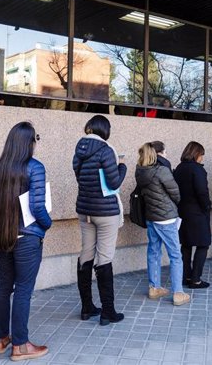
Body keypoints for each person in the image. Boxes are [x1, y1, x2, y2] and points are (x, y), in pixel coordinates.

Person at [0, 122, 51, 360]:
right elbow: (38, 206)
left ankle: (2, 339)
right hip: (27, 237)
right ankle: (21, 346)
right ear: (29, 143)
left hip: (3, 235)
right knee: (23, 290)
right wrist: (47, 223)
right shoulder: (35, 167)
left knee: (4, 286)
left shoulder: (0, 167)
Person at [72, 115, 127, 325]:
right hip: (105, 213)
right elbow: (113, 183)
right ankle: (108, 311)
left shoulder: (79, 150)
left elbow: (80, 178)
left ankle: (86, 307)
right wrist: (122, 166)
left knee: (86, 254)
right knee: (104, 258)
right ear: (105, 130)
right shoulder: (106, 150)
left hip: (85, 210)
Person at [135, 143, 191, 305]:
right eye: (165, 152)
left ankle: (154, 287)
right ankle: (178, 293)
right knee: (175, 255)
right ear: (158, 153)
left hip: (151, 217)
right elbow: (176, 193)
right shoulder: (162, 171)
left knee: (153, 251)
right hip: (166, 218)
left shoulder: (140, 170)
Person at [174, 141, 212, 289]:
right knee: (203, 244)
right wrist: (207, 206)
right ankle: (196, 279)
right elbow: (202, 191)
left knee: (186, 245)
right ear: (196, 154)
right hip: (197, 212)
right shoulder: (197, 170)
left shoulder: (179, 169)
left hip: (182, 211)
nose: (202, 158)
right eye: (201, 155)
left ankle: (186, 276)